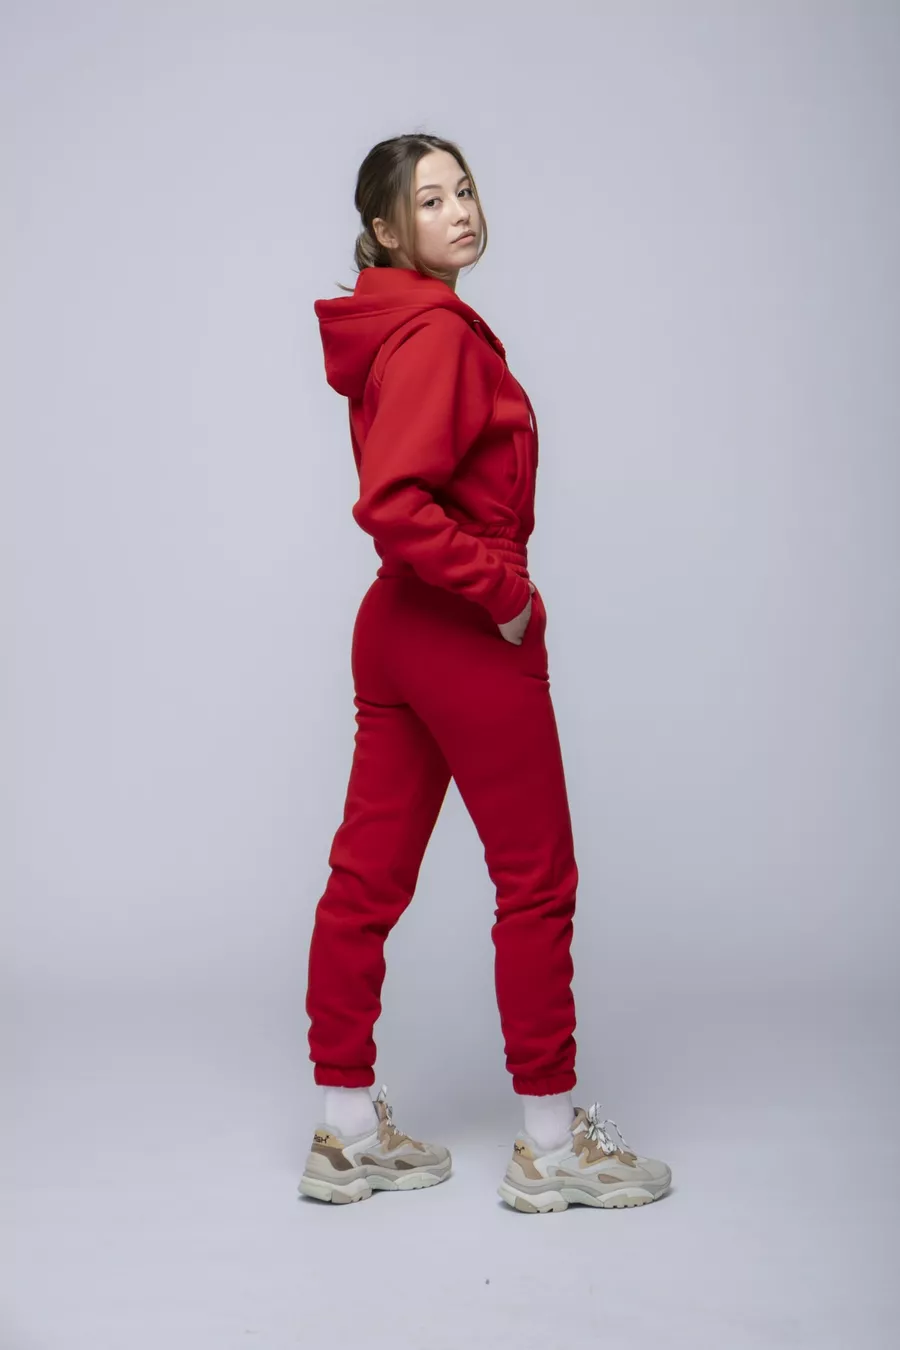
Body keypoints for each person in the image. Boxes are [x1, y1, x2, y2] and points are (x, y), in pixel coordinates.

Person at [299, 133, 672, 1212]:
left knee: (367, 878)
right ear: (385, 230)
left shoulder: (394, 328)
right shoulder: (434, 336)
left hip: (397, 626)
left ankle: (344, 1132)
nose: (459, 209)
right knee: (536, 881)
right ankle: (552, 1146)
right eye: (429, 200)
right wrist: (504, 594)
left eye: (463, 189)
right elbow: (394, 502)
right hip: (462, 630)